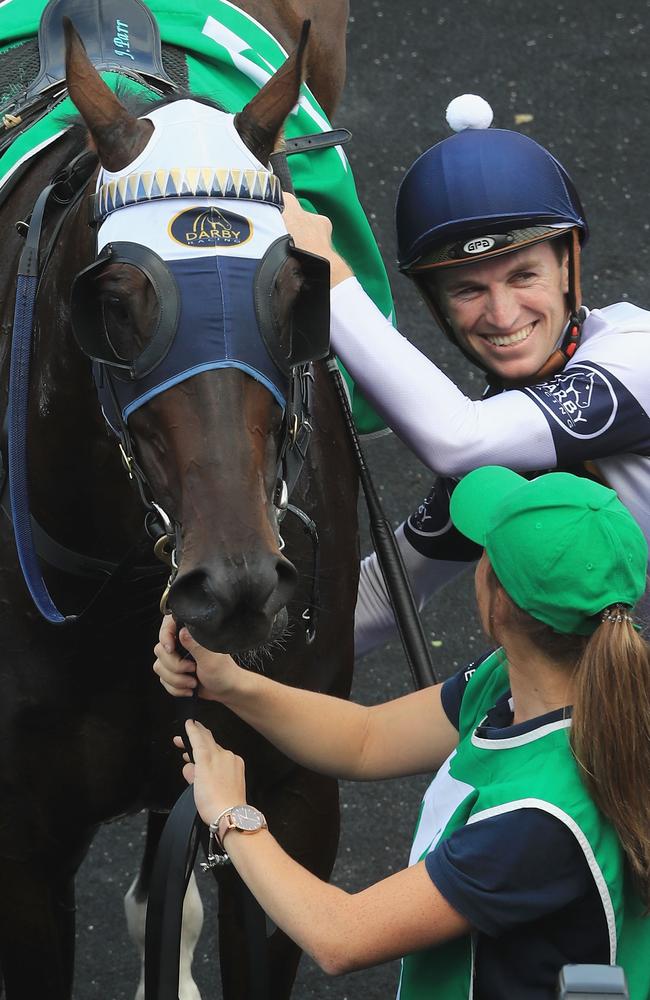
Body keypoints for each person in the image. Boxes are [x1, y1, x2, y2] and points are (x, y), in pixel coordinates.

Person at [154, 467, 650, 999]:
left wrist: (231, 812)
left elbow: (341, 937)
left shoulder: (539, 818)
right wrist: (230, 683)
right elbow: (366, 738)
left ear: (498, 600)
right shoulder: (532, 680)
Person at [281, 94, 650, 655]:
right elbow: (385, 595)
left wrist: (329, 278)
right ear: (439, 308)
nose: (501, 315)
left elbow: (458, 438)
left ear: (570, 264)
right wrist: (233, 660)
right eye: (468, 289)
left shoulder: (635, 356)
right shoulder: (513, 429)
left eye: (524, 275)